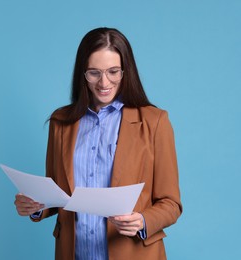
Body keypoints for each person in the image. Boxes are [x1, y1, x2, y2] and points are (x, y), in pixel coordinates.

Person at [14, 27, 182, 260]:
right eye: (94, 73)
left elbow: (171, 203)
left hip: (133, 253)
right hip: (74, 253)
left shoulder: (155, 122)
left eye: (113, 71)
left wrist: (143, 220)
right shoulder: (61, 122)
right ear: (82, 73)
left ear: (126, 71)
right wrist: (36, 206)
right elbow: (57, 193)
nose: (104, 82)